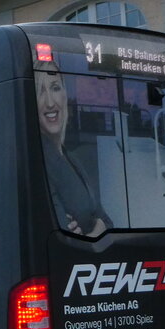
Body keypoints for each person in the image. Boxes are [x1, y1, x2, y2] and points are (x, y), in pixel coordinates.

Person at [36, 64, 111, 237]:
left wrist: (99, 227)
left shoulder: (70, 157)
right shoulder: (38, 161)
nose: (49, 102)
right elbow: (64, 239)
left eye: (55, 88)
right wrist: (97, 230)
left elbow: (106, 220)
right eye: (39, 91)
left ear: (64, 95)